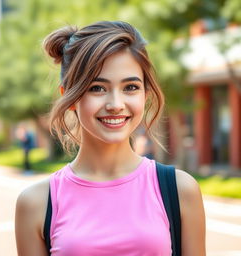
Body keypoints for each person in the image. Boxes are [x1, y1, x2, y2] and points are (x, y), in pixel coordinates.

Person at [15, 21, 206, 256]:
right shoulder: (36, 203)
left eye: (131, 87)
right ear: (69, 97)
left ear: (146, 93)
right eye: (97, 88)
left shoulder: (180, 190)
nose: (116, 105)